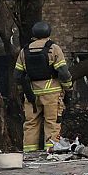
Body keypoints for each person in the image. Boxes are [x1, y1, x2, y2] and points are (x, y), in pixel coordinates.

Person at [15, 21, 72, 153]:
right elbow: (63, 72)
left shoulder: (25, 51)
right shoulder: (54, 48)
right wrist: (68, 87)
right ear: (48, 33)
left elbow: (17, 75)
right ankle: (51, 152)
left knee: (30, 124)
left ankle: (29, 154)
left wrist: (24, 91)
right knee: (52, 123)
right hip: (52, 94)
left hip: (31, 95)